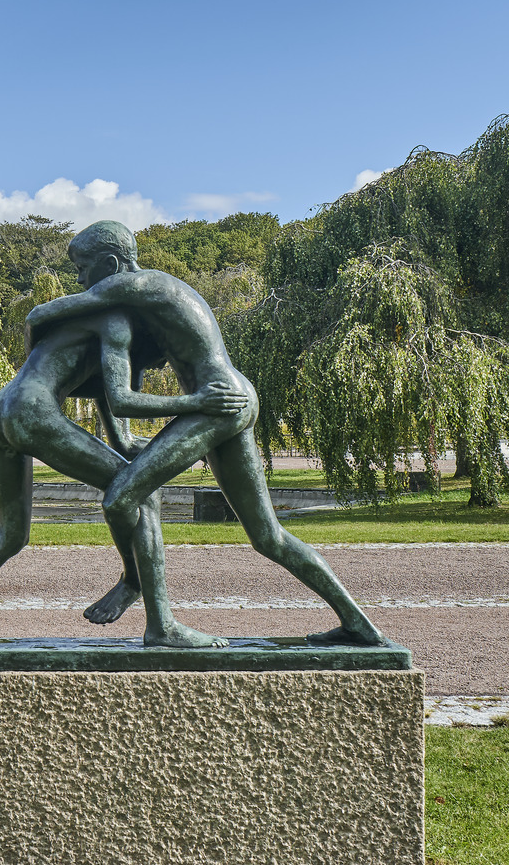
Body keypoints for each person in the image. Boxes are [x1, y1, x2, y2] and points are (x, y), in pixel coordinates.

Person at [25, 221, 389, 649]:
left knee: (121, 496)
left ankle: (140, 595)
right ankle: (359, 624)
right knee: (268, 536)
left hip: (217, 403)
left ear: (110, 263)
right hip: (231, 398)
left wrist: (39, 343)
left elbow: (38, 315)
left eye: (83, 268)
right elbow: (118, 403)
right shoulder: (150, 301)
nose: (81, 279)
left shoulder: (136, 285)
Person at [0, 294, 250, 648]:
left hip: (0, 411)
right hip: (32, 411)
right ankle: (161, 624)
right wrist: (197, 403)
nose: (156, 367)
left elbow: (124, 443)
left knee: (10, 535)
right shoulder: (116, 323)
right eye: (159, 358)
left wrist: (185, 448)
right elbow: (124, 402)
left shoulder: (92, 337)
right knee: (142, 495)